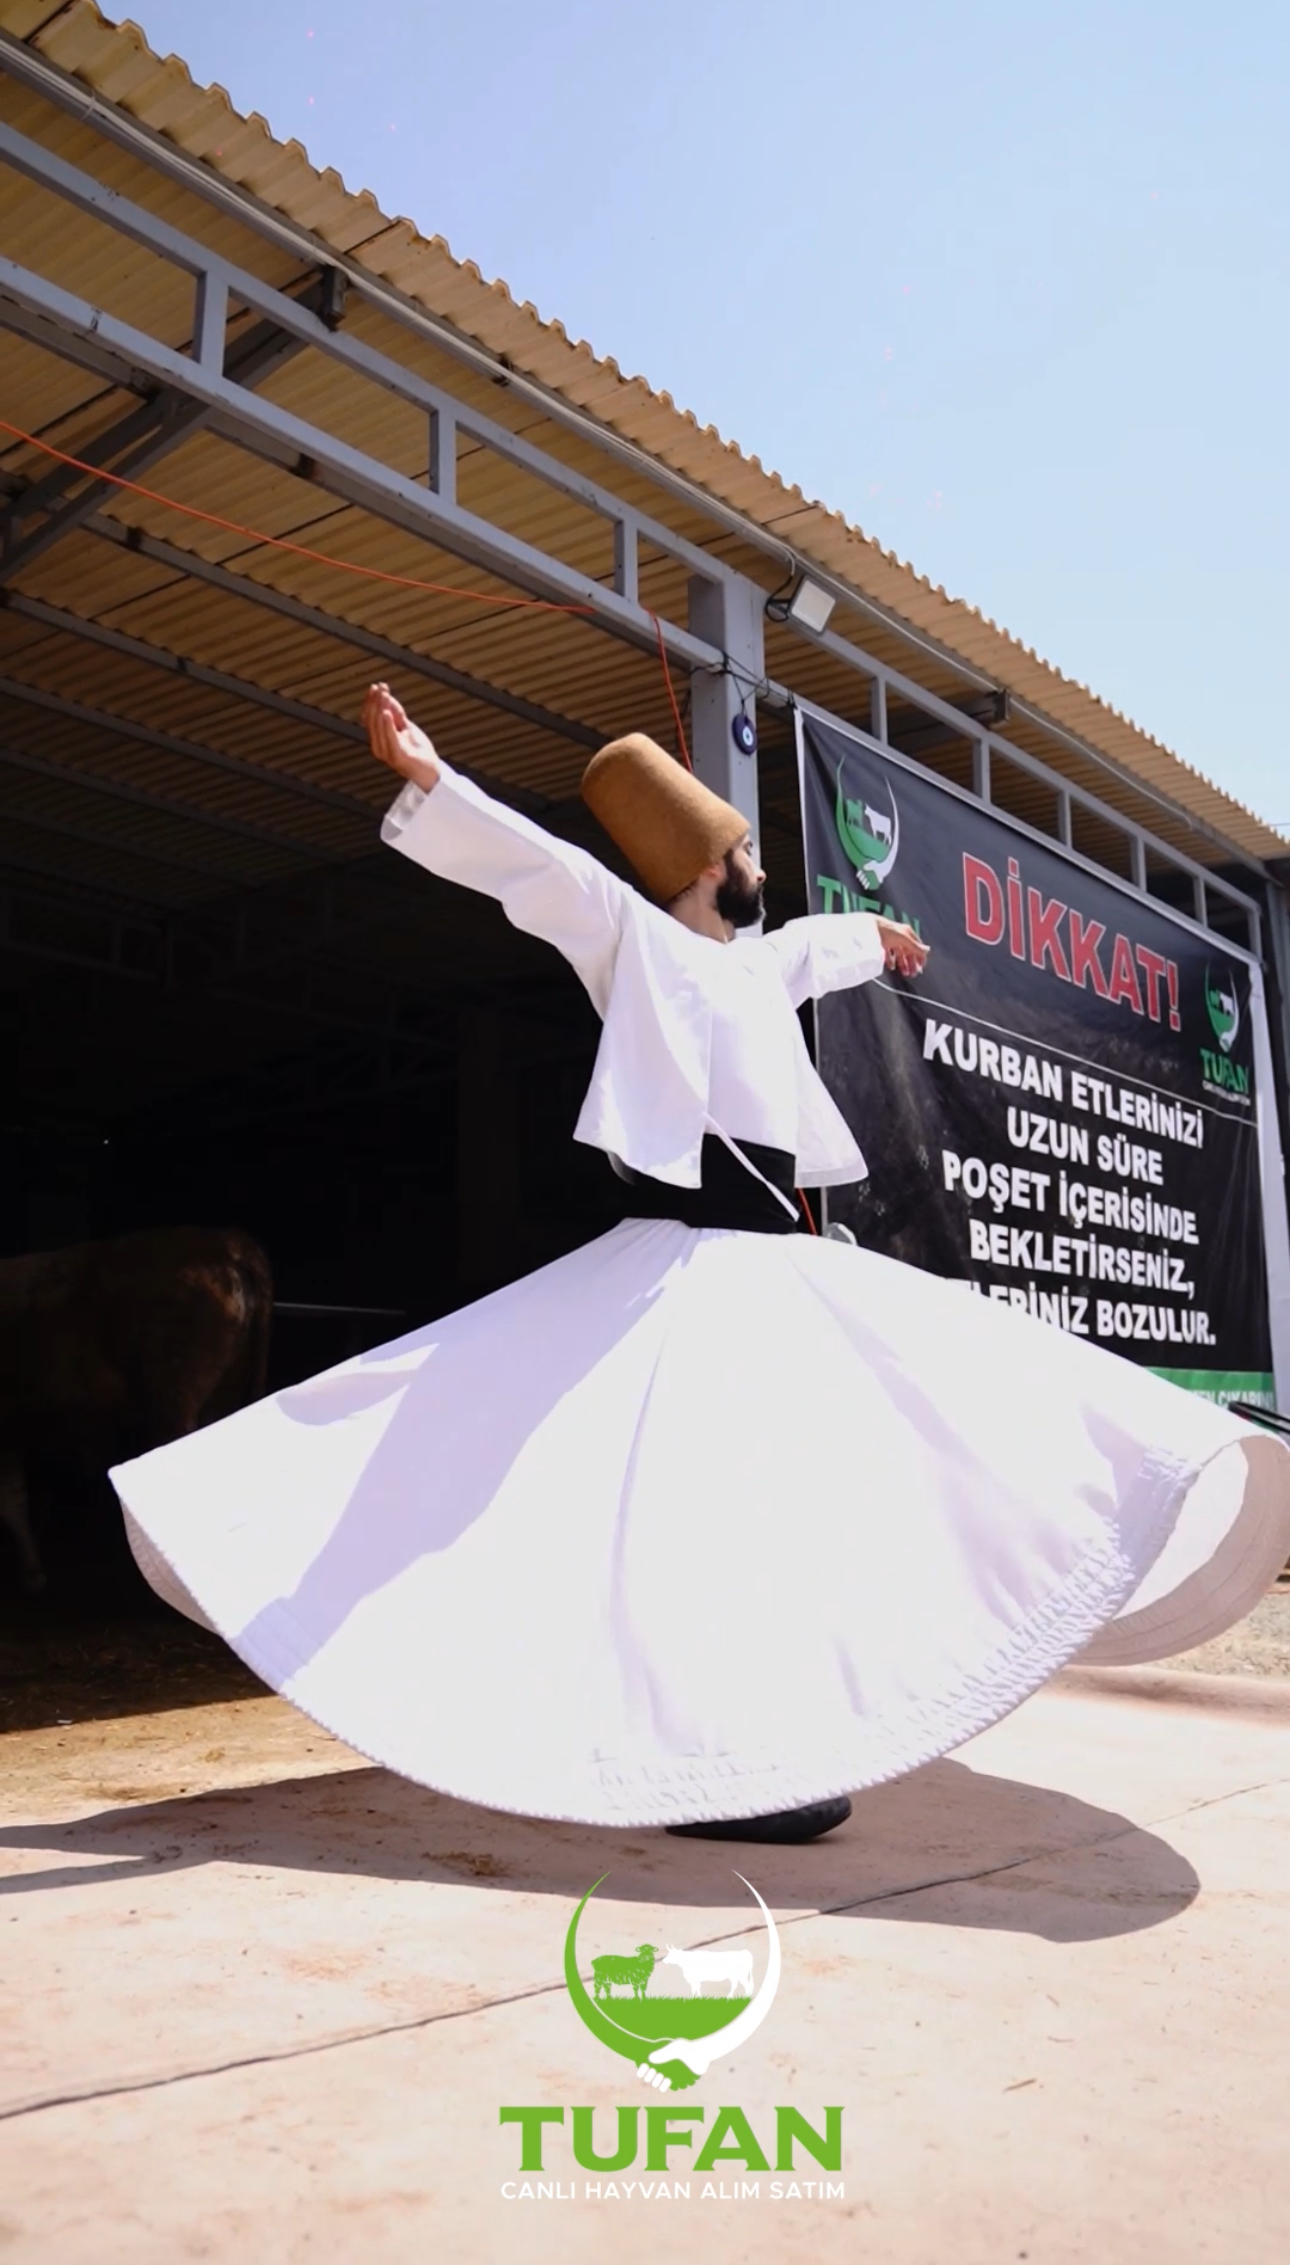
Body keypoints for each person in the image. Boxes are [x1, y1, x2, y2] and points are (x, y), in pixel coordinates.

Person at [111, 689, 1290, 1845]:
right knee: (687, 1514)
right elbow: (540, 871)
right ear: (711, 866)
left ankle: (774, 1744)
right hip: (684, 1270)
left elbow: (813, 949)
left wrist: (877, 939)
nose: (761, 869)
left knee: (855, 1466)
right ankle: (713, 1768)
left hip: (771, 1270)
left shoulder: (755, 966)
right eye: (747, 854)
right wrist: (433, 778)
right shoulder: (633, 941)